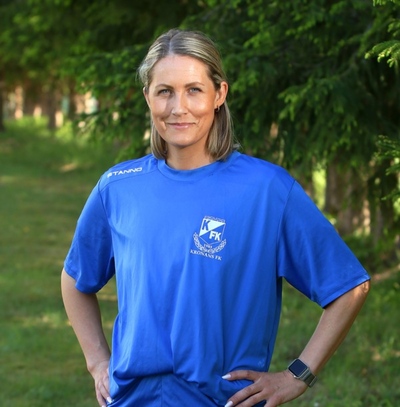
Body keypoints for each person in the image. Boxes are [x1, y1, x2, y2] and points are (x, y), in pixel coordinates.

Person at [61, 28, 370, 407]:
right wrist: (97, 363)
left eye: (194, 90)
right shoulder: (119, 187)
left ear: (219, 94)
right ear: (147, 97)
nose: (178, 107)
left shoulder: (267, 190)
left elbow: (348, 287)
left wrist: (298, 376)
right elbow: (75, 279)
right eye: (164, 91)